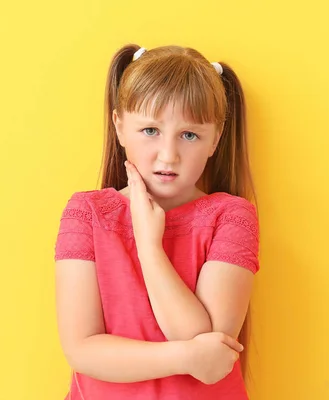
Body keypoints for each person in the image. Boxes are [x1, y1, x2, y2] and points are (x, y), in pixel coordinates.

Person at [54, 43, 261, 400]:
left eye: (189, 134)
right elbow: (82, 349)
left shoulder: (232, 217)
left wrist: (150, 247)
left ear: (215, 139)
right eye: (150, 130)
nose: (169, 154)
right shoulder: (85, 214)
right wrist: (185, 358)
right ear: (119, 126)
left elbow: (206, 349)